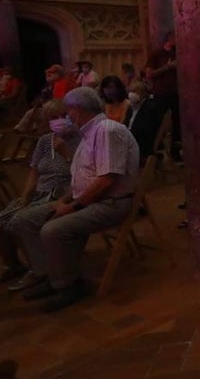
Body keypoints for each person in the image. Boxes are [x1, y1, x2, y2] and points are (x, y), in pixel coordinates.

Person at [12, 87, 140, 312]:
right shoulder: (88, 133)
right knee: (26, 219)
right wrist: (66, 200)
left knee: (52, 230)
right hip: (89, 198)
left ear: (77, 110)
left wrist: (73, 206)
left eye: (66, 112)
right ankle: (49, 276)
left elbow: (106, 180)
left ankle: (68, 285)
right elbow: (84, 178)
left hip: (111, 203)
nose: (65, 117)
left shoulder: (107, 130)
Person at [0, 98, 79, 287]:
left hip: (63, 193)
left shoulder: (78, 139)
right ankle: (13, 265)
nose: (60, 120)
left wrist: (66, 153)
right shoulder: (44, 141)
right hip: (40, 192)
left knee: (18, 222)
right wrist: (25, 195)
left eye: (63, 116)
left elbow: (82, 174)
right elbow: (34, 171)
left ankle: (39, 269)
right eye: (54, 117)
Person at [145, 31, 180, 160]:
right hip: (161, 93)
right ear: (170, 39)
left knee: (178, 123)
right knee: (157, 122)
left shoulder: (179, 53)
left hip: (177, 93)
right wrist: (168, 67)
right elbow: (149, 74)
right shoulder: (157, 54)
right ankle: (155, 151)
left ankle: (176, 151)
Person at [122, 81, 163, 163]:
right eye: (130, 91)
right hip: (130, 139)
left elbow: (146, 129)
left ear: (144, 93)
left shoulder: (151, 107)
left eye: (136, 91)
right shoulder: (130, 108)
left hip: (142, 144)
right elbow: (125, 124)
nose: (132, 94)